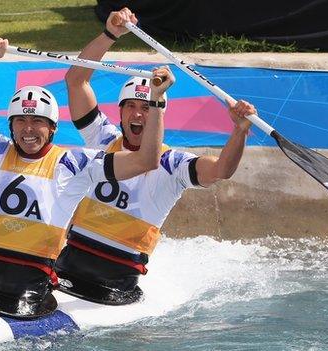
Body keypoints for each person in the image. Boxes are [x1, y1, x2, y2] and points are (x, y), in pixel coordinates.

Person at [0, 36, 174, 318]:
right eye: (21, 120)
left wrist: (156, 102)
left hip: (27, 295)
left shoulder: (75, 164)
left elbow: (147, 160)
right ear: (11, 125)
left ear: (53, 128)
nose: (28, 129)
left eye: (38, 121)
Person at [55, 8, 258, 305]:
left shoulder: (172, 164)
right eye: (131, 107)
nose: (139, 114)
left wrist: (239, 132)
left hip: (116, 282)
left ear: (159, 112)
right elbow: (76, 80)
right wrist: (110, 34)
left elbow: (221, 171)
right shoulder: (103, 139)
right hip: (67, 264)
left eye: (147, 107)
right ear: (120, 112)